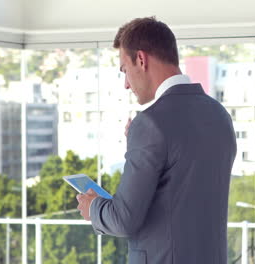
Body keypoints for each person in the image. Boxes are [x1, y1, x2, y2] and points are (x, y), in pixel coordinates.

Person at [76, 17, 237, 264]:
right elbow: (183, 187)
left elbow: (123, 219)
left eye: (124, 70)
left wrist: (93, 208)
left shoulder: (150, 124)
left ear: (141, 59)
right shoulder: (219, 115)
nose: (126, 84)